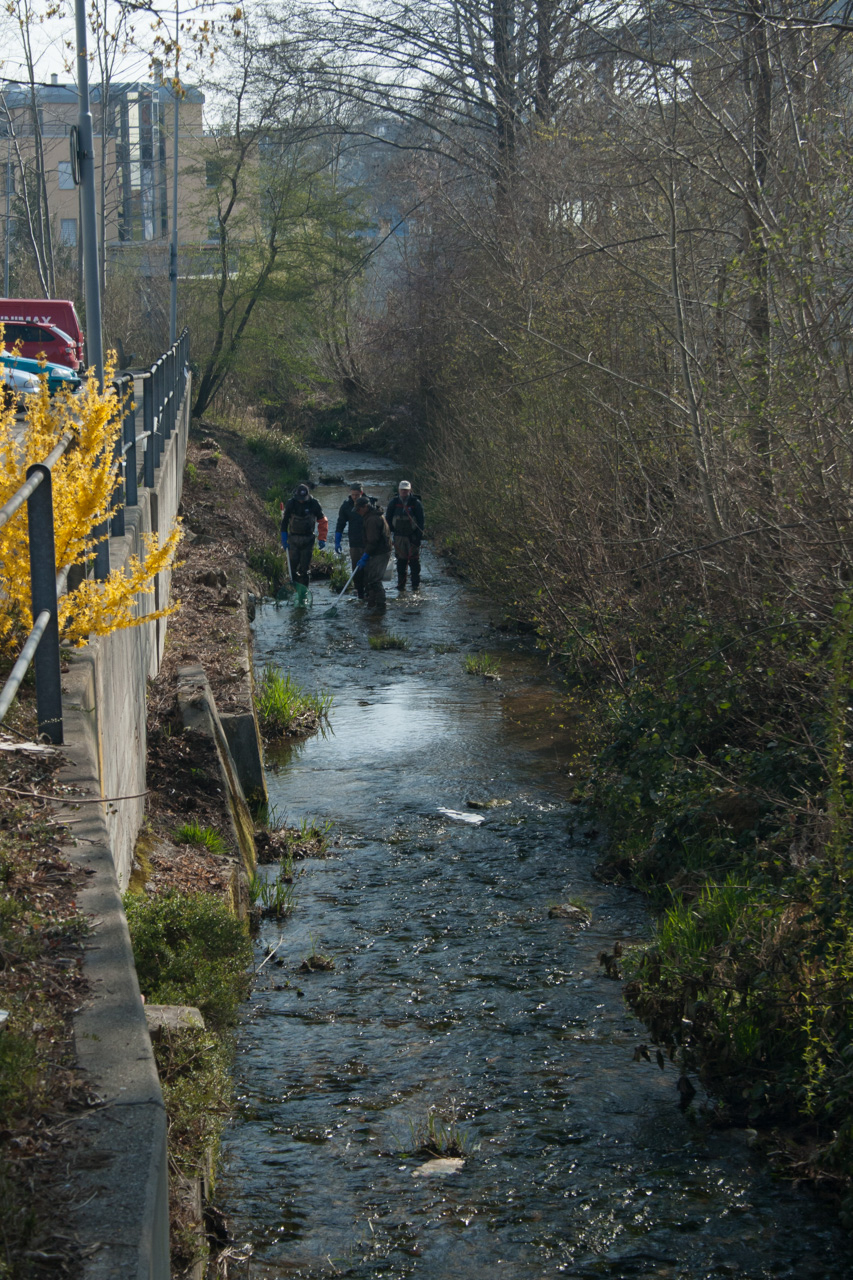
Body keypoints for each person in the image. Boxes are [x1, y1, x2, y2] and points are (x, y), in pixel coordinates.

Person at [280, 483, 328, 587]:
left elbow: (322, 521)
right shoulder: (291, 503)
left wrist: (322, 538)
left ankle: (304, 590)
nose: (301, 501)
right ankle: (294, 587)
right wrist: (284, 538)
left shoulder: (314, 503)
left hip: (308, 539)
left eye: (303, 499)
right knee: (292, 566)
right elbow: (284, 522)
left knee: (305, 568)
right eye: (299, 498)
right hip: (293, 539)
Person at [385, 480, 425, 592]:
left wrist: (418, 538)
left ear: (410, 490)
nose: (404, 492)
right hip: (399, 537)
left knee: (414, 562)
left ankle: (415, 586)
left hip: (413, 536)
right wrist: (390, 536)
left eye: (406, 490)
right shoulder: (393, 503)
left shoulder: (416, 503)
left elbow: (421, 522)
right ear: (399, 490)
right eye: (402, 490)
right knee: (401, 562)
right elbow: (388, 520)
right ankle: (401, 586)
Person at [354, 494, 391, 612]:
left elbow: (373, 541)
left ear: (365, 507)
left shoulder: (372, 519)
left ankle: (381, 606)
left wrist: (365, 556)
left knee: (375, 580)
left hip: (380, 552)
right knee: (370, 578)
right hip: (379, 551)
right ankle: (372, 603)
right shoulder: (372, 515)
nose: (358, 512)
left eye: (359, 509)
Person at [335, 482, 370, 599]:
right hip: (354, 541)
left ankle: (369, 591)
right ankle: (359, 592)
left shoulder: (369, 503)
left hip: (369, 541)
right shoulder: (346, 506)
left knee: (369, 569)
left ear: (361, 493)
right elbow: (340, 523)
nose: (354, 497)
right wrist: (337, 540)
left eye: (357, 495)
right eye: (353, 494)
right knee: (356, 568)